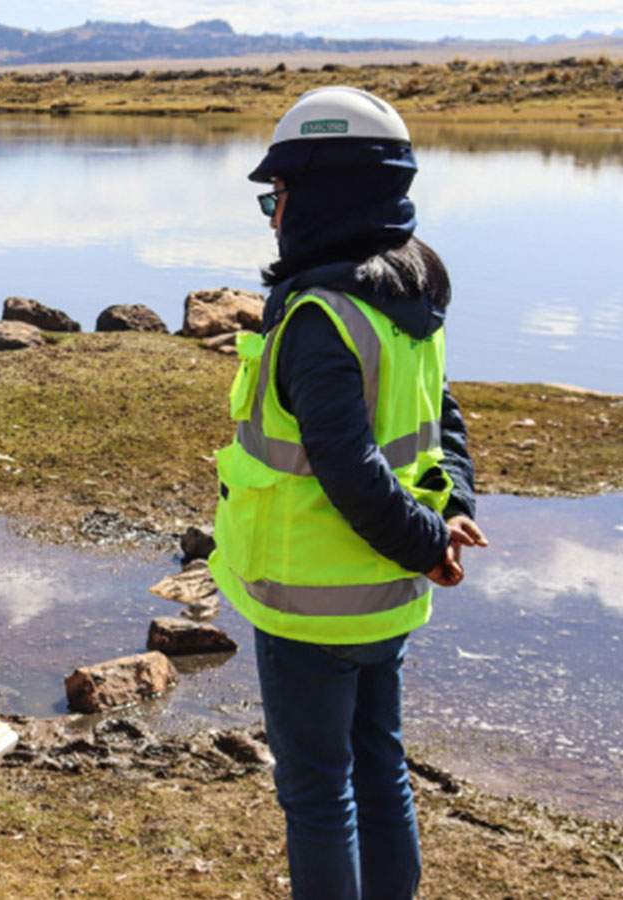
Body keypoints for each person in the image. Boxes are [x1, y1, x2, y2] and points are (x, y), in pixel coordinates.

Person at [208, 87, 490, 900]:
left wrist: (430, 540)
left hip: (311, 604)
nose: (271, 215)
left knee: (318, 794)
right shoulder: (409, 300)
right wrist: (454, 509)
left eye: (279, 195)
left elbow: (350, 466)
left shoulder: (319, 315)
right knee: (379, 770)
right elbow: (442, 419)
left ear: (322, 193)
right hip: (386, 600)